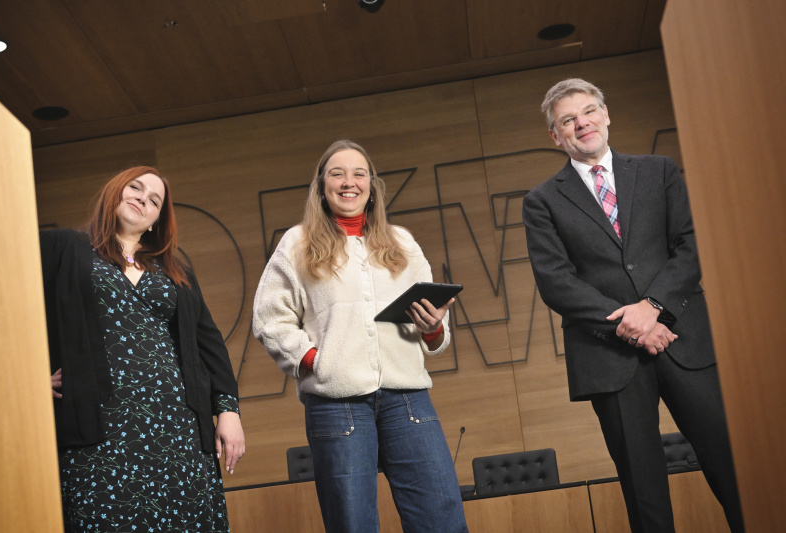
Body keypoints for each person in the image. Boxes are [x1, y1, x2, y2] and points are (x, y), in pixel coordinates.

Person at [522, 78, 744, 532]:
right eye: (568, 120)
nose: (581, 123)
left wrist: (654, 306)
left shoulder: (659, 171)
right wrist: (634, 322)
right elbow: (556, 283)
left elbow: (691, 245)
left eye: (588, 111)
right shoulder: (541, 202)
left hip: (685, 339)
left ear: (606, 114)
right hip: (609, 356)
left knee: (735, 468)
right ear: (555, 135)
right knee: (644, 492)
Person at [253, 140, 469, 532]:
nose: (348, 182)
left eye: (359, 173)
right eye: (337, 173)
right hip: (338, 405)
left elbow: (436, 334)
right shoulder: (297, 243)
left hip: (408, 400)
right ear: (321, 186)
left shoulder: (401, 242)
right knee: (352, 524)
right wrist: (314, 362)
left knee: (442, 519)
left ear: (372, 186)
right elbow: (270, 318)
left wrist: (433, 327)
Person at [42, 166, 245, 532]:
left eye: (154, 201)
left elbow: (208, 342)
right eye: (135, 188)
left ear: (155, 221)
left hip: (177, 428)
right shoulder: (65, 250)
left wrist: (228, 410)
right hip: (100, 428)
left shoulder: (174, 269)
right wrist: (26, 377)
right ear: (114, 192)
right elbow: (7, 305)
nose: (143, 199)